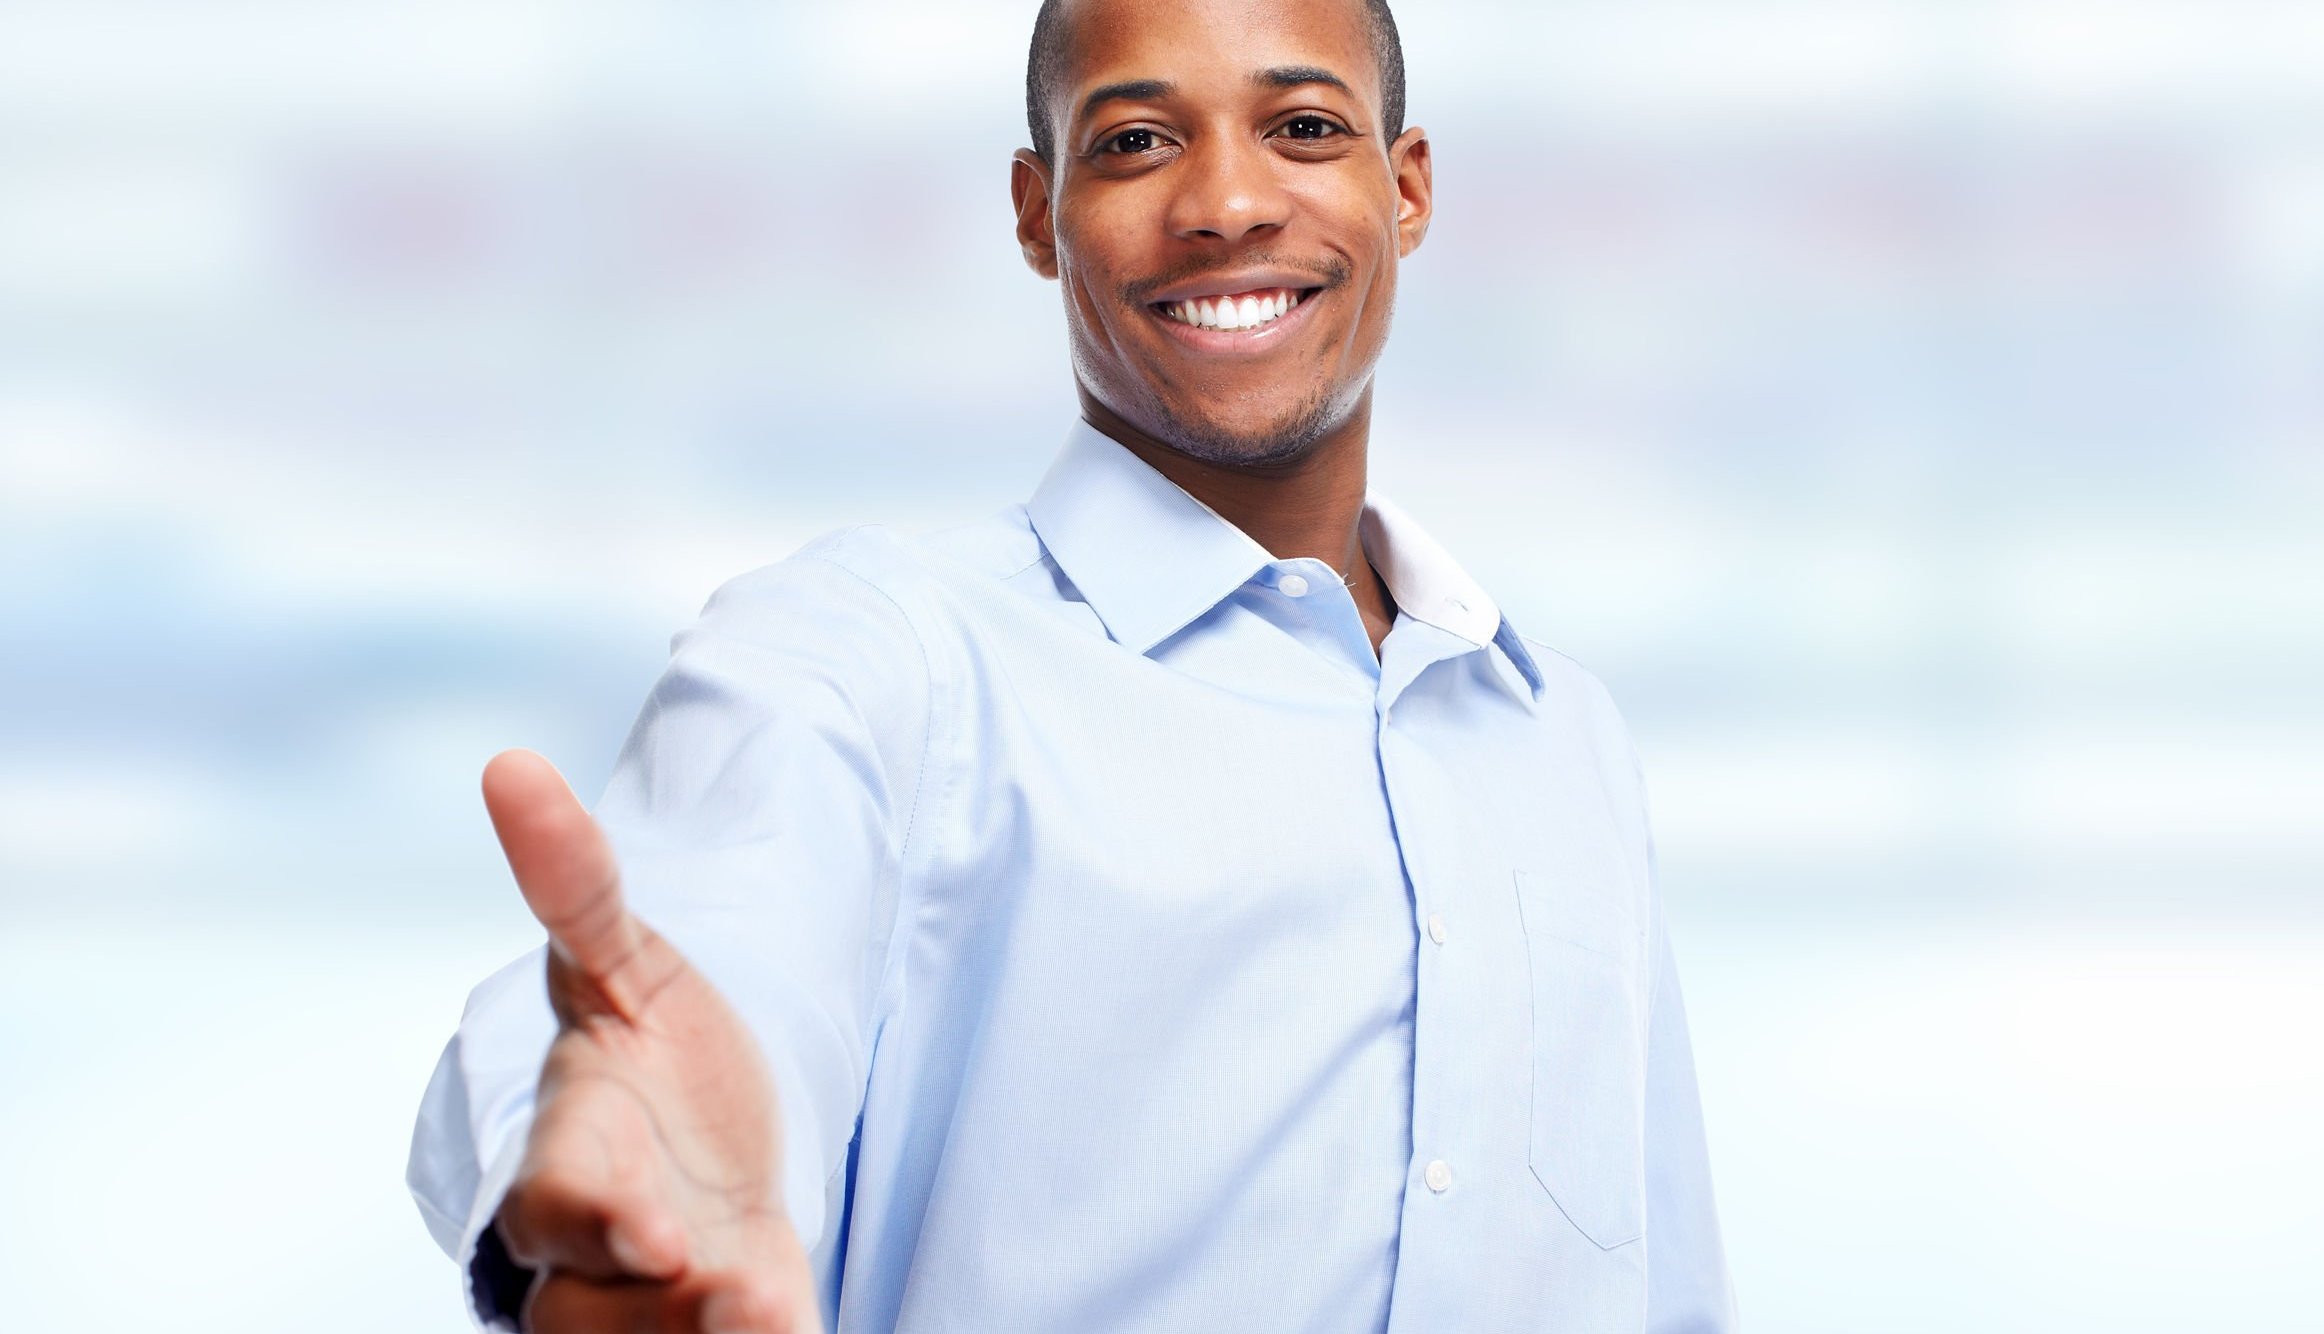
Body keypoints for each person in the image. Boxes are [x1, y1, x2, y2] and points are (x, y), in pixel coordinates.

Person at [405, 0, 1735, 1329]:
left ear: (1407, 189)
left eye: (1305, 126)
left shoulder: (1562, 729)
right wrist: (625, 1187)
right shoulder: (877, 657)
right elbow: (681, 985)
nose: (1225, 201)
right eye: (1140, 139)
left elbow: (1664, 1272)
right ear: (1039, 214)